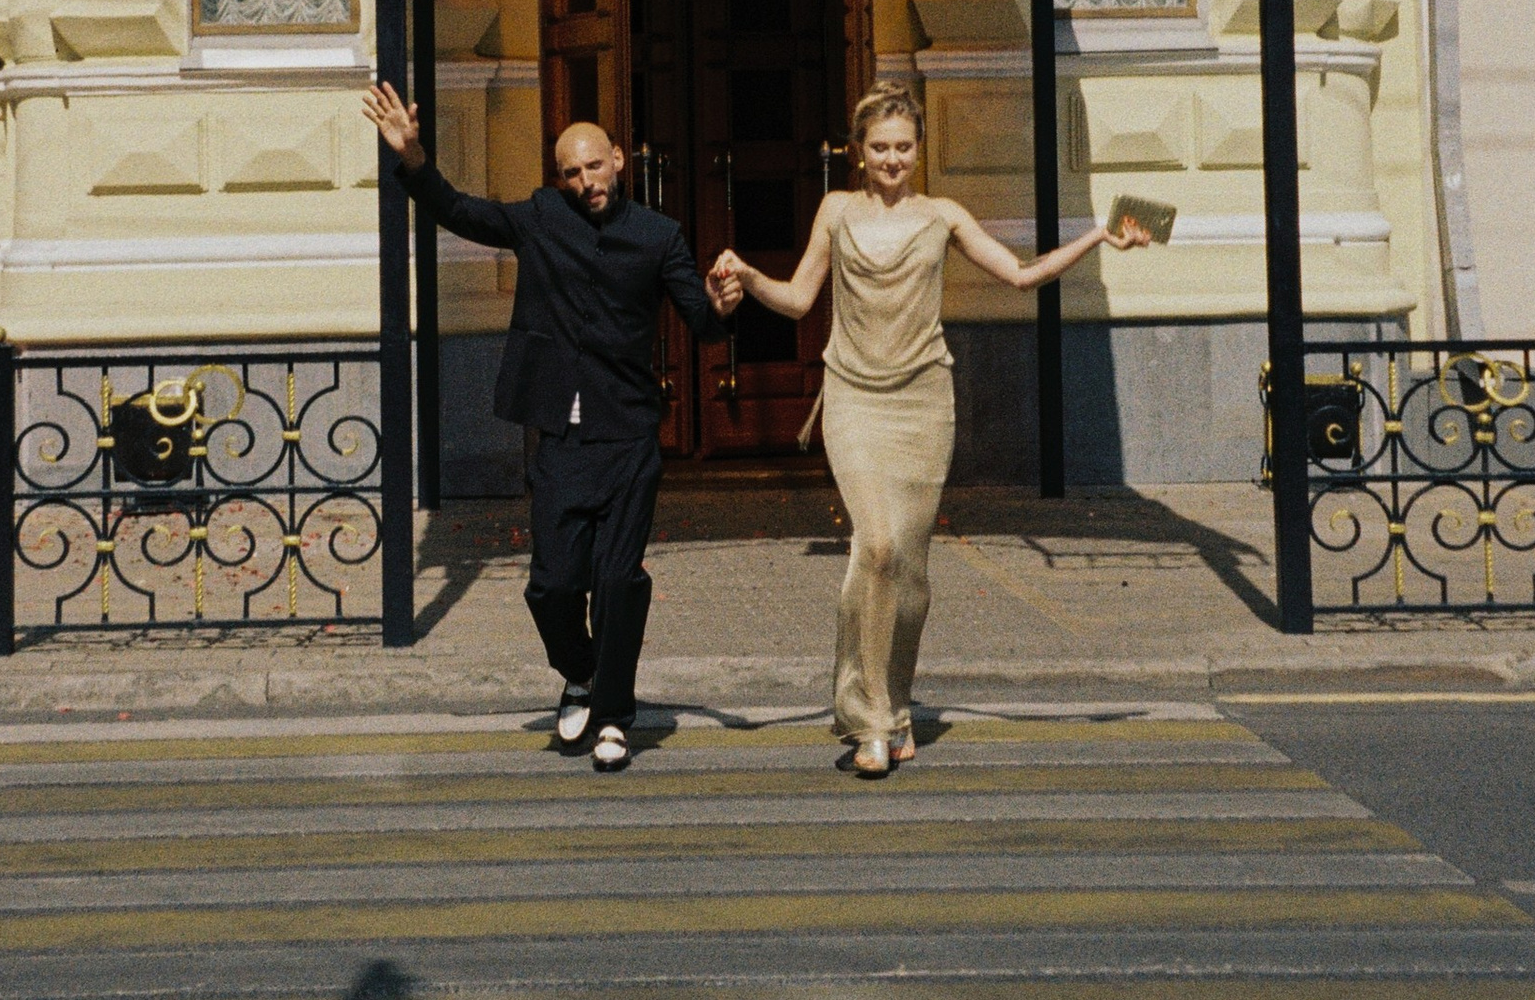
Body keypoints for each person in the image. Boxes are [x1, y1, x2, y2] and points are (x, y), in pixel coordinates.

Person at [712, 84, 1154, 778]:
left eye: (903, 147)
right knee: (876, 548)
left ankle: (896, 701)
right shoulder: (835, 212)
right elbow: (798, 300)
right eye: (879, 148)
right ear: (859, 152)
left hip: (923, 406)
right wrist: (746, 275)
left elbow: (1020, 275)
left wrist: (1099, 236)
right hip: (854, 401)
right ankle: (870, 721)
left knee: (909, 569)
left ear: (919, 150)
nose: (891, 159)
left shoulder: (943, 216)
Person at [360, 83, 742, 771]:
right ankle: (584, 674)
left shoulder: (659, 235)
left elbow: (703, 322)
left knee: (618, 581)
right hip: (561, 436)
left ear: (618, 160)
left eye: (595, 165)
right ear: (559, 177)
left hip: (627, 436)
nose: (585, 180)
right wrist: (412, 155)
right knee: (553, 585)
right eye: (572, 171)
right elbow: (461, 211)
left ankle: (614, 716)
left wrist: (718, 305)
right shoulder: (542, 216)